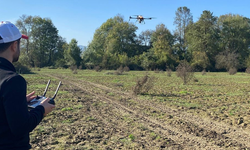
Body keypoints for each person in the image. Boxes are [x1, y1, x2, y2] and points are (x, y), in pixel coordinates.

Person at [0, 21, 55, 150]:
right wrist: (41, 110)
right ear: (14, 45)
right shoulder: (13, 80)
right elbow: (21, 127)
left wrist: (18, 102)